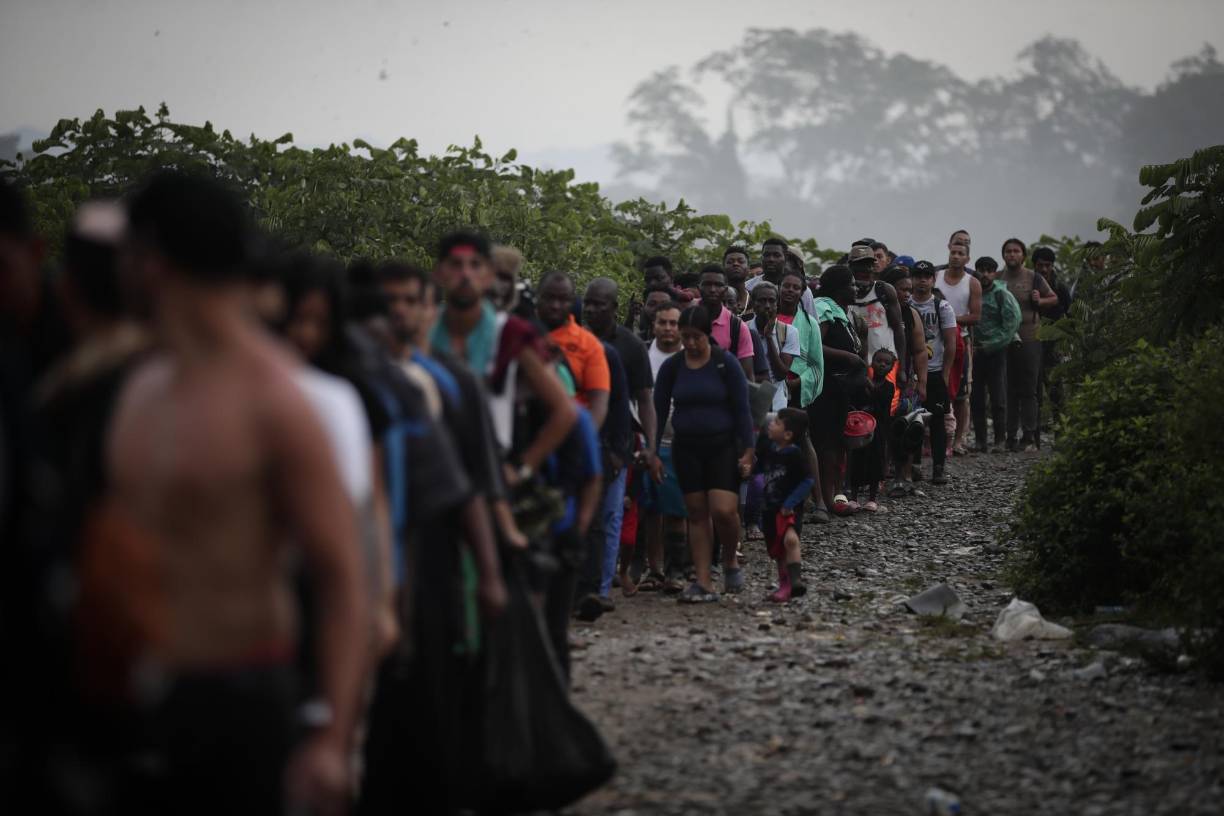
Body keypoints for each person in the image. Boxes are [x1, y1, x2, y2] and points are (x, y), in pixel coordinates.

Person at [104, 172, 367, 814]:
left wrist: (333, 739)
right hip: (135, 699)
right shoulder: (140, 389)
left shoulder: (277, 401)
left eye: (126, 255)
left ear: (153, 259)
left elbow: (342, 579)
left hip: (241, 696)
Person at [650, 305, 754, 602]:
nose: (691, 344)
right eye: (686, 338)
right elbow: (658, 410)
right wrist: (653, 451)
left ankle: (731, 560)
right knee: (696, 513)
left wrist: (748, 451)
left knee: (723, 510)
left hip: (722, 446)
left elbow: (742, 409)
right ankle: (704, 581)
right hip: (686, 447)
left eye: (696, 337)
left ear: (708, 335)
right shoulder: (674, 367)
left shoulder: (725, 363)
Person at [582, 277, 657, 597]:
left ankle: (599, 590)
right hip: (577, 438)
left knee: (612, 516)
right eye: (588, 302)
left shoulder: (629, 346)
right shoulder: (574, 338)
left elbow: (645, 399)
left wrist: (651, 447)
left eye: (599, 304)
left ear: (614, 307)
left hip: (616, 440)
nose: (591, 309)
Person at [810, 265, 867, 514]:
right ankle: (825, 499)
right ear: (838, 288)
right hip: (826, 387)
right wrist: (848, 357)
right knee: (826, 444)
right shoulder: (823, 307)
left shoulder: (843, 312)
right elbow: (816, 345)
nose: (856, 288)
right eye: (851, 284)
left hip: (841, 387)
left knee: (837, 443)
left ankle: (835, 495)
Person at [641, 302, 689, 593]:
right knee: (649, 509)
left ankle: (677, 570)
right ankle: (653, 569)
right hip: (648, 442)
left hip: (682, 442)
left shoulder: (691, 356)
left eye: (674, 323)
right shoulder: (643, 354)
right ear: (654, 324)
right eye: (663, 322)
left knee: (677, 509)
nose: (669, 328)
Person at [1000, 238, 1058, 452]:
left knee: (1029, 389)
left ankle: (1029, 436)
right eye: (1008, 251)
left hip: (1030, 338)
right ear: (1003, 255)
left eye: (1016, 251)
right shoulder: (998, 278)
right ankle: (1010, 436)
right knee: (1009, 389)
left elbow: (1054, 298)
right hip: (1004, 340)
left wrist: (1039, 301)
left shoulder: (1034, 278)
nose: (1012, 255)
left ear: (1023, 255)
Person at [754, 408, 815, 602]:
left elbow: (807, 480)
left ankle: (796, 580)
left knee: (791, 540)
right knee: (778, 550)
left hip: (788, 509)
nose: (771, 424)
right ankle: (784, 585)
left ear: (788, 434)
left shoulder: (795, 455)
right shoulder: (768, 450)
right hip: (770, 509)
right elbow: (760, 469)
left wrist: (791, 503)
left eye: (777, 423)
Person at [537, 270, 611, 428]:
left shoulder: (589, 344)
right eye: (550, 297)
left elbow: (599, 401)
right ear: (538, 297)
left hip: (571, 433)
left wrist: (583, 438)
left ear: (572, 302)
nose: (555, 305)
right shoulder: (520, 333)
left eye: (563, 299)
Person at [879, 265, 929, 495]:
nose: (907, 294)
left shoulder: (911, 314)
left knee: (908, 428)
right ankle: (878, 477)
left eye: (909, 289)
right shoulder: (877, 311)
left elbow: (920, 350)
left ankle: (904, 476)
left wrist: (921, 382)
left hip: (904, 379)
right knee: (882, 429)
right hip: (878, 378)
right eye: (902, 289)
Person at [910, 260, 959, 485]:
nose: (922, 280)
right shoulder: (906, 305)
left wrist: (946, 374)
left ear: (933, 279)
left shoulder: (942, 307)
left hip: (936, 370)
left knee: (938, 421)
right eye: (918, 275)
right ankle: (914, 465)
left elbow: (951, 343)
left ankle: (938, 467)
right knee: (913, 420)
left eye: (927, 276)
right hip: (911, 372)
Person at [847, 244, 908, 413]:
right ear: (850, 266)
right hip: (856, 366)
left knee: (888, 412)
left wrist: (902, 368)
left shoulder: (884, 291)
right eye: (859, 265)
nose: (864, 270)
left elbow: (899, 330)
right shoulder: (844, 293)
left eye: (868, 264)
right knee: (858, 413)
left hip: (886, 365)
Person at [970, 256, 1022, 453]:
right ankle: (980, 440)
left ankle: (1000, 440)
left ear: (994, 273)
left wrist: (992, 344)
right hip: (975, 351)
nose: (984, 274)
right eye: (981, 270)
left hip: (996, 350)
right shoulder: (972, 291)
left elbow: (1012, 323)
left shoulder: (1001, 293)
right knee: (976, 397)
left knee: (998, 396)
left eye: (989, 270)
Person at [936, 241, 982, 457]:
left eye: (960, 253)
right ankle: (935, 438)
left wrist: (949, 320)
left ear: (967, 259)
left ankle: (959, 440)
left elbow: (975, 316)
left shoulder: (972, 283)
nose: (955, 256)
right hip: (935, 342)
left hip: (961, 341)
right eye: (952, 252)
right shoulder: (936, 277)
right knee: (938, 388)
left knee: (963, 393)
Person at [849, 348, 897, 511]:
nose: (882, 365)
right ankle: (853, 497)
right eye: (879, 361)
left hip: (879, 430)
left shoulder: (889, 387)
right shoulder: (862, 383)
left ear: (891, 368)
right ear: (872, 363)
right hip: (860, 429)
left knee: (876, 462)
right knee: (857, 460)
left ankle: (872, 498)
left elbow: (882, 402)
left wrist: (868, 385)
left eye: (887, 363)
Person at [1032, 246, 1072, 441]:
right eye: (1041, 265)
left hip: (1054, 344)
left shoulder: (1060, 287)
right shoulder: (1028, 285)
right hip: (1032, 342)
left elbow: (1070, 314)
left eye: (1048, 265)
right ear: (1034, 265)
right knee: (1034, 391)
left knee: (1056, 390)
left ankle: (1061, 433)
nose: (1044, 269)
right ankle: (1034, 437)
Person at [697, 263, 756, 381]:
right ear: (699, 288)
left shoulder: (738, 327)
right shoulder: (684, 316)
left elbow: (746, 378)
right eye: (707, 284)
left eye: (718, 285)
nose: (713, 290)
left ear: (725, 289)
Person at [746, 237, 817, 317]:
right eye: (767, 255)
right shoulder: (748, 287)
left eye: (776, 255)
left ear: (785, 258)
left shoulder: (801, 291)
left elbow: (812, 324)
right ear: (761, 258)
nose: (771, 259)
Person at [724, 245, 752, 313]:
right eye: (730, 262)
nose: (735, 264)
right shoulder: (717, 299)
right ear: (723, 268)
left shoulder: (756, 299)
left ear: (748, 268)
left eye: (741, 261)